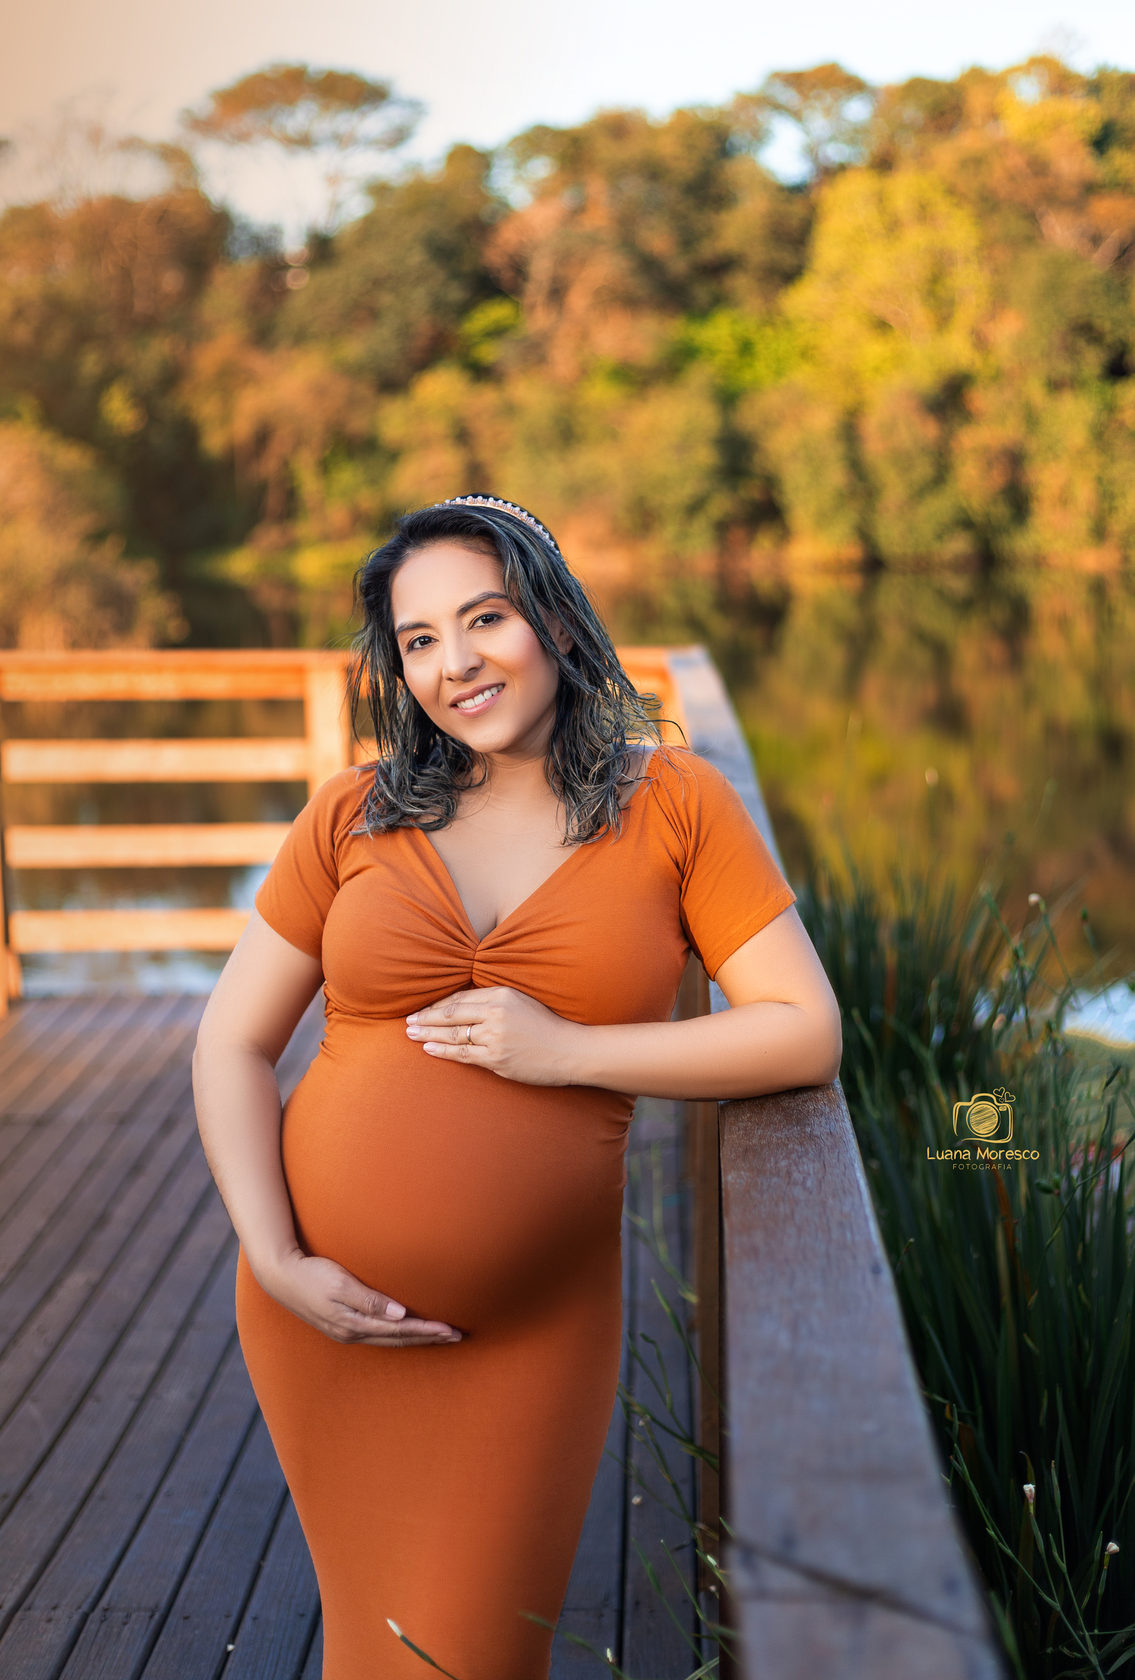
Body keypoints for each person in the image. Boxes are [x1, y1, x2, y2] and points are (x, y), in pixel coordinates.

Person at [192, 495, 842, 1680]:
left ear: (552, 613)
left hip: (527, 1335)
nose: (456, 663)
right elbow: (230, 1045)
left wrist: (567, 1053)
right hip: (316, 1316)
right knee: (369, 1649)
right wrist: (278, 1257)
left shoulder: (674, 804)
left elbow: (803, 1035)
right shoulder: (352, 814)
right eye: (420, 640)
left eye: (484, 618)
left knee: (471, 1658)